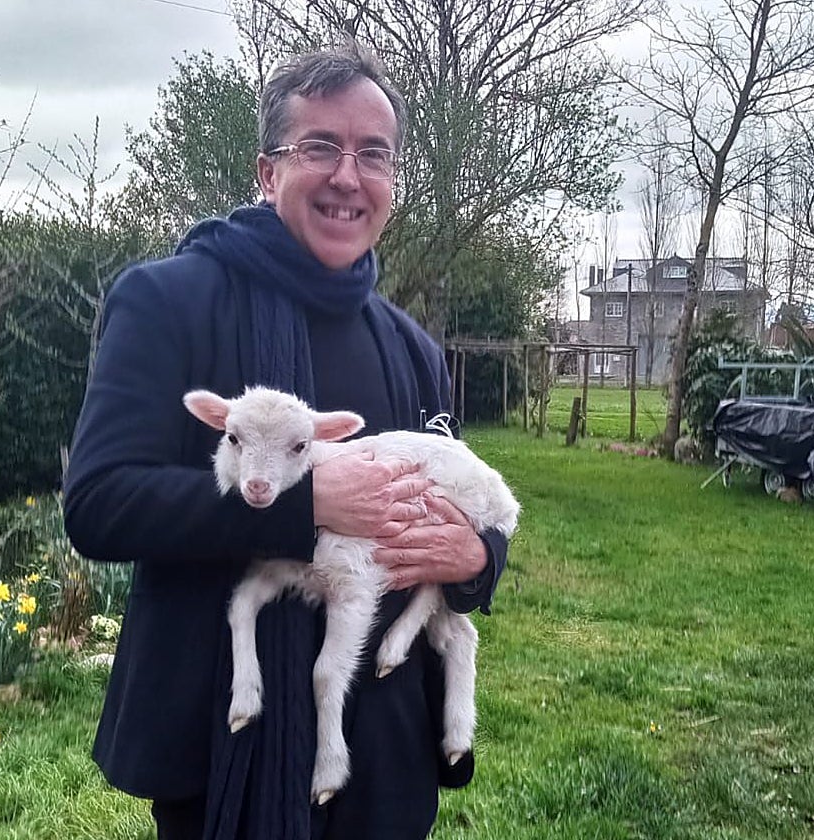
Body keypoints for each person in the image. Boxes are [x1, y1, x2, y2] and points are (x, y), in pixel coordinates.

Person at [63, 41, 507, 840]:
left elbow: (455, 503)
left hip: (384, 753)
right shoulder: (168, 301)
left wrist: (477, 562)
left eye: (373, 154)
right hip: (221, 747)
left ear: (394, 182)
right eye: (320, 148)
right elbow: (99, 504)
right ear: (267, 172)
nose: (348, 176)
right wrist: (299, 506)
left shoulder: (413, 349)